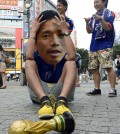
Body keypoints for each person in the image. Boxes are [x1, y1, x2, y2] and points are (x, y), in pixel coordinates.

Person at [25, 10, 76, 119]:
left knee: (71, 63)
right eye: (46, 36)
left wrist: (65, 30)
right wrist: (33, 31)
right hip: (40, 95)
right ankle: (45, 102)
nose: (54, 42)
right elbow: (28, 57)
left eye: (60, 35)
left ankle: (62, 102)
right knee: (29, 63)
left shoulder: (65, 56)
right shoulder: (36, 56)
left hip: (61, 94)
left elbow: (72, 57)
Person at [84, 0, 117, 97]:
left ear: (104, 2)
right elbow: (89, 31)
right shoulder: (93, 16)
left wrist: (101, 19)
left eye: (97, 2)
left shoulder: (109, 13)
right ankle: (97, 89)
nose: (95, 4)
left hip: (105, 44)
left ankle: (112, 89)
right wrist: (86, 22)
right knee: (94, 68)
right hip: (93, 45)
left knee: (108, 67)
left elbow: (108, 28)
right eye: (94, 3)